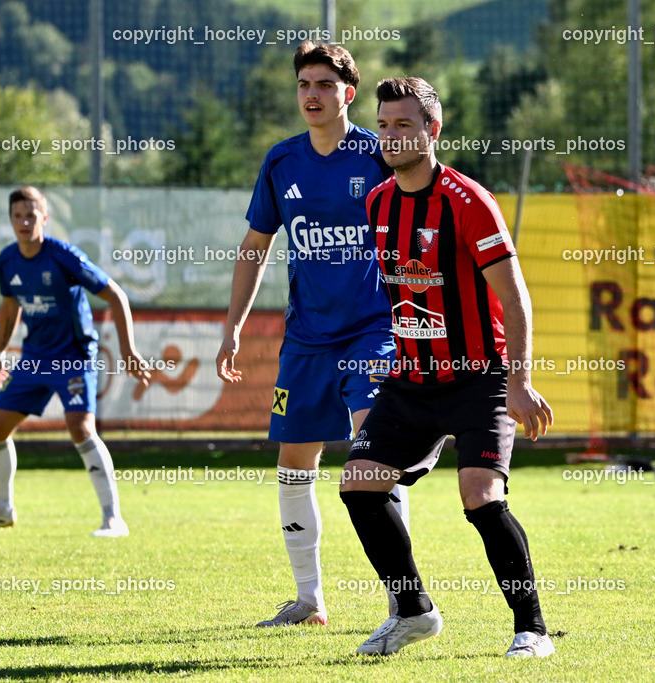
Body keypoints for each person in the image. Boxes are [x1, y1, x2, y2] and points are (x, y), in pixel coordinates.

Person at [338, 77, 556, 658]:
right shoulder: (378, 200)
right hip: (411, 379)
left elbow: (515, 298)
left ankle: (532, 630)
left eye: (404, 125)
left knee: (480, 495)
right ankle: (413, 612)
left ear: (432, 130)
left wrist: (520, 382)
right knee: (358, 485)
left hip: (479, 378)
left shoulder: (468, 201)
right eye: (383, 124)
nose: (391, 135)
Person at [215, 41, 410, 627]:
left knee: (373, 457)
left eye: (324, 84)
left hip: (374, 328)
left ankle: (405, 603)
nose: (312, 95)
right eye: (304, 84)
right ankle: (308, 601)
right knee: (294, 464)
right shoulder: (282, 162)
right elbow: (255, 247)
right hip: (306, 339)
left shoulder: (378, 155)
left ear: (348, 93)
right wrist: (233, 326)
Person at [0, 186, 151, 538]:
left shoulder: (63, 256)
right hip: (34, 357)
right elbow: (10, 306)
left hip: (73, 355)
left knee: (81, 428)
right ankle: (2, 509)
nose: (24, 221)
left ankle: (113, 519)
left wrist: (129, 351)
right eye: (18, 215)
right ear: (10, 220)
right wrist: (0, 352)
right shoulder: (7, 260)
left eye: (31, 215)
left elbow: (116, 295)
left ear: (44, 218)